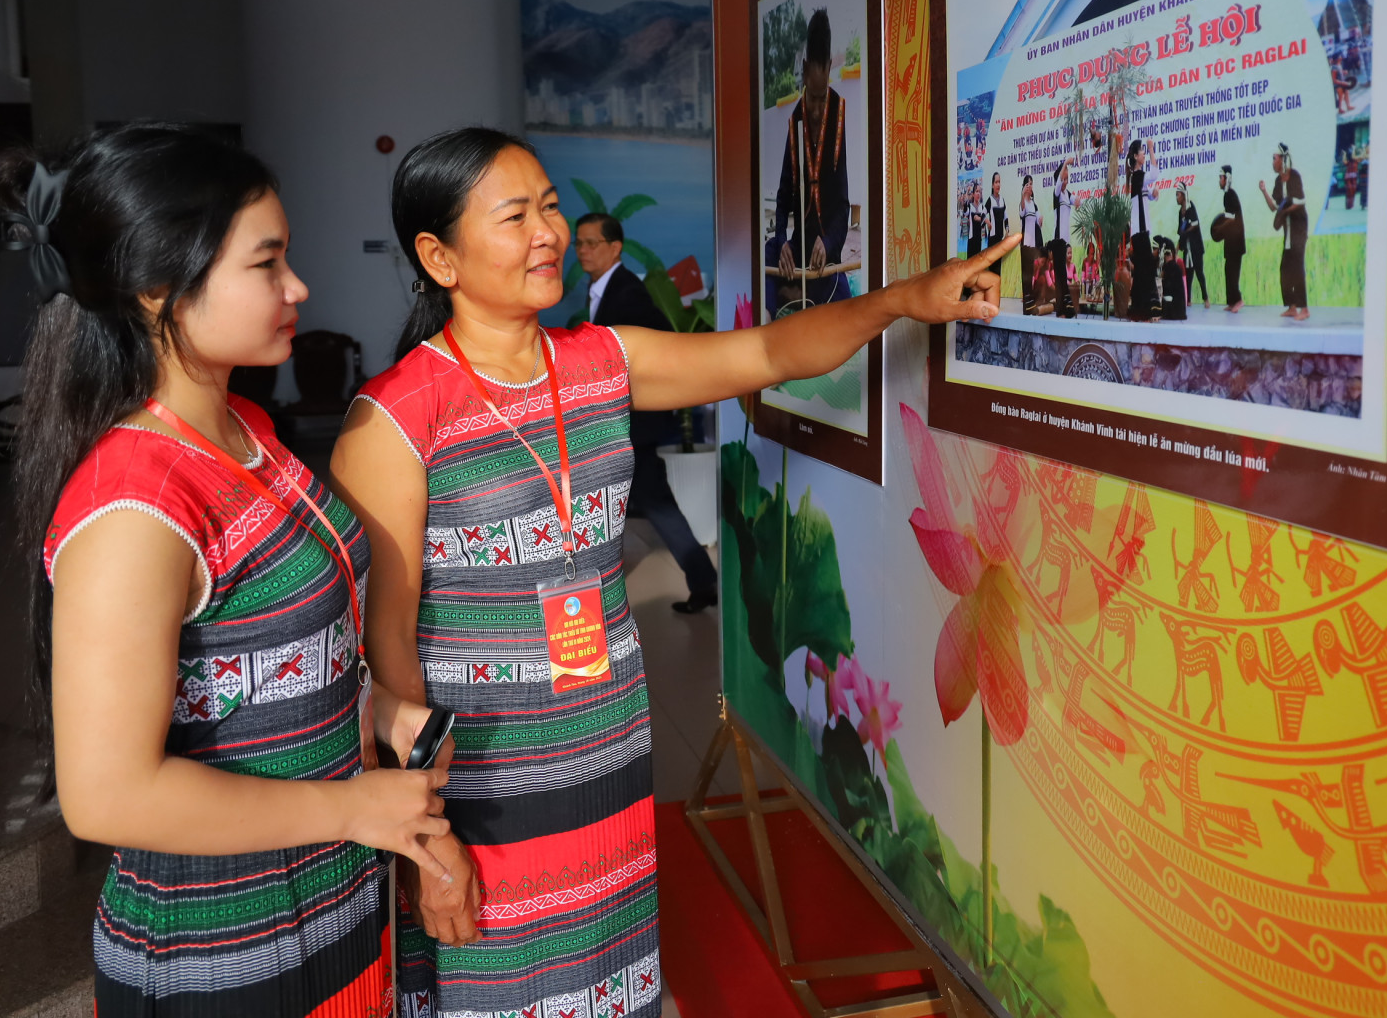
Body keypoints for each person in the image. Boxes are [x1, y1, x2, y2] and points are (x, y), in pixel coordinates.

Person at [329, 128, 1015, 1018]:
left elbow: (770, 355)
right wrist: (429, 847)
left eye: (549, 207)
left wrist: (902, 301)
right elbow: (386, 658)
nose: (547, 232)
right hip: (487, 779)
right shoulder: (395, 418)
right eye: (514, 216)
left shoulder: (604, 360)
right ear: (438, 256)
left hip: (608, 743)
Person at [0, 125, 456, 1016]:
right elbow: (107, 794)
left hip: (330, 913)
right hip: (223, 957)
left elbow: (275, 649)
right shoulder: (134, 509)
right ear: (157, 285)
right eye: (267, 263)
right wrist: (355, 810)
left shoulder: (248, 433)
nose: (298, 288)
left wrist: (369, 704)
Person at [573, 211, 720, 614]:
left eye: (591, 243)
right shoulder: (605, 288)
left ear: (614, 247)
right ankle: (703, 582)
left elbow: (646, 354)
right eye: (579, 243)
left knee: (640, 503)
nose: (582, 251)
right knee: (650, 501)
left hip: (631, 424)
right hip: (623, 424)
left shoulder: (627, 293)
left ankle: (597, 595)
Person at [765, 8, 850, 316]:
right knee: (769, 257)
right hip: (798, 248)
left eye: (821, 97)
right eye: (812, 99)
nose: (815, 109)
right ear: (804, 72)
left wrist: (828, 243)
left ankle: (798, 295)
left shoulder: (838, 114)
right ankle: (790, 294)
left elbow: (842, 205)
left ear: (829, 68)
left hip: (824, 256)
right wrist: (783, 240)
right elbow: (784, 193)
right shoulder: (795, 119)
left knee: (843, 311)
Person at [1259, 142, 1309, 320]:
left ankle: (1304, 308)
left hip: (1298, 228)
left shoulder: (1294, 176)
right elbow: (1274, 206)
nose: (1272, 162)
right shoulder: (1278, 181)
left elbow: (1300, 201)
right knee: (1285, 269)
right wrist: (1264, 191)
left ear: (1282, 159)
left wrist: (1285, 210)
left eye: (1274, 158)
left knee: (1296, 267)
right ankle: (1292, 306)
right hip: (1288, 231)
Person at [1125, 139, 1157, 320]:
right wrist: (1153, 149)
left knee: (1143, 271)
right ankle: (1145, 308)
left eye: (1146, 151)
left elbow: (1145, 198)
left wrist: (1152, 195)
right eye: (1143, 152)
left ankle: (1138, 308)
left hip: (1141, 230)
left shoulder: (1138, 178)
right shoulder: (1138, 176)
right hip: (1139, 231)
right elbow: (1155, 173)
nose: (1145, 154)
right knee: (1146, 269)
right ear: (1136, 157)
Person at [1216, 164, 1246, 313]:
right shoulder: (1226, 196)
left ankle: (1238, 300)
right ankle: (1232, 301)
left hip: (1236, 242)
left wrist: (1220, 228)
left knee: (1233, 272)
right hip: (1231, 241)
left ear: (1227, 178)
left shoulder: (1230, 195)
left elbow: (1232, 218)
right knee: (1228, 271)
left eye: (1221, 177)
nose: (1219, 180)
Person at [1175, 184, 1208, 308]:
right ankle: (1188, 300)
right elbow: (1181, 231)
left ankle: (1206, 299)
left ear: (1183, 195)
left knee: (1199, 273)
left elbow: (1195, 224)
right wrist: (1177, 247)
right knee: (1188, 274)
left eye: (1178, 195)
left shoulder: (1190, 207)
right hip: (1187, 249)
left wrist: (1185, 231)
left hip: (1196, 247)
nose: (1176, 198)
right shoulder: (1180, 213)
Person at [1049, 160, 1075, 317]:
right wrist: (1065, 163)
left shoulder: (1067, 194)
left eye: (1067, 179)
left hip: (1065, 242)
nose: (1065, 182)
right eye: (1063, 179)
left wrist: (1079, 202)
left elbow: (1076, 199)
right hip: (1057, 242)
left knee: (1063, 275)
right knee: (1060, 276)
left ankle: (1065, 307)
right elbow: (1059, 181)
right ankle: (1060, 310)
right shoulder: (1057, 193)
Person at [1018, 175, 1044, 312]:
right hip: (1025, 243)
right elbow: (1021, 214)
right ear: (1024, 187)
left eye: (1031, 184)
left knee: (1032, 273)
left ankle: (1031, 301)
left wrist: (1040, 220)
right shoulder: (1024, 203)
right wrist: (1023, 196)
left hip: (1033, 244)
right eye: (1027, 184)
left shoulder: (1034, 205)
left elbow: (1038, 220)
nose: (1030, 186)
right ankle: (1026, 303)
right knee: (1026, 274)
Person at [1159, 237, 1187, 320]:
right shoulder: (1173, 266)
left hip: (1174, 311)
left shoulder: (1170, 267)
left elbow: (1168, 288)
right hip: (1179, 310)